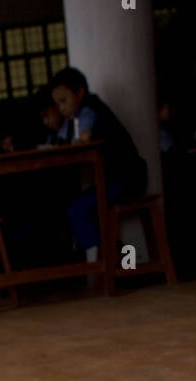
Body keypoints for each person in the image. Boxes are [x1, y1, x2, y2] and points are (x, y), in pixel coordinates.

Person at [50, 66, 147, 259]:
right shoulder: (81, 115)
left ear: (79, 92)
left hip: (127, 179)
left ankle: (114, 255)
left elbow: (83, 142)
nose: (61, 108)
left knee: (77, 209)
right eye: (57, 104)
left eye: (64, 101)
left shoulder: (89, 110)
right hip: (123, 177)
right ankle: (112, 252)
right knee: (79, 206)